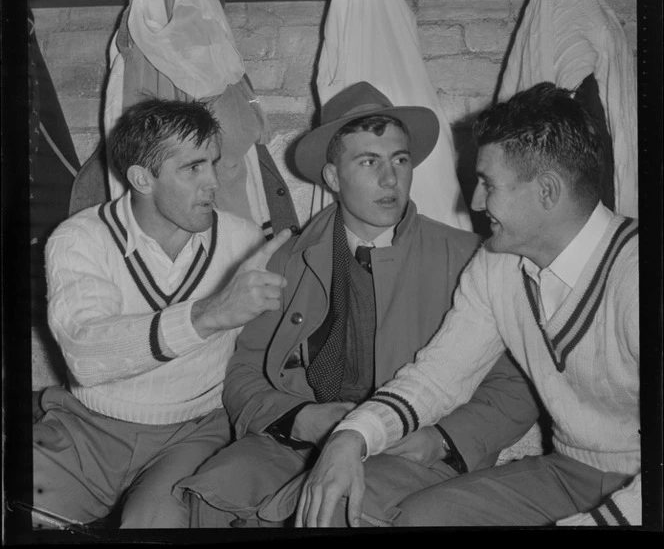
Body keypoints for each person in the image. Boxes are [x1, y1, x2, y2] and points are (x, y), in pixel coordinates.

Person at [175, 80, 541, 527]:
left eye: (400, 160)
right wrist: (299, 419)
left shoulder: (470, 257)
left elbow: (517, 386)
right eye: (369, 161)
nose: (391, 179)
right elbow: (243, 372)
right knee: (212, 494)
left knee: (335, 511)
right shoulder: (285, 259)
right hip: (297, 443)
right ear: (332, 177)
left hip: (413, 449)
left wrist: (444, 439)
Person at [296, 81, 641, 528]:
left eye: (487, 184)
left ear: (548, 191)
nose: (473, 201)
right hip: (571, 470)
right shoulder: (497, 266)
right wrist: (351, 437)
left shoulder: (637, 275)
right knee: (417, 519)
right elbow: (439, 378)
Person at [32, 99, 291, 529]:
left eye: (213, 163)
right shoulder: (80, 237)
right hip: (89, 429)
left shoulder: (244, 239)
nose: (213, 181)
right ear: (141, 178)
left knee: (153, 526)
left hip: (193, 433)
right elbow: (86, 352)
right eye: (192, 168)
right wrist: (208, 315)